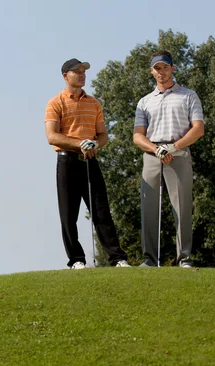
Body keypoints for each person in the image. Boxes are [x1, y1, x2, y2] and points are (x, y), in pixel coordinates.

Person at [45, 58, 130, 269]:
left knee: (102, 212)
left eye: (84, 72)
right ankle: (76, 260)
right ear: (66, 76)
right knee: (68, 214)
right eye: (77, 72)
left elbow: (103, 135)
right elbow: (52, 136)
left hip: (90, 160)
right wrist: (78, 143)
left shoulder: (93, 103)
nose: (82, 75)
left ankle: (117, 258)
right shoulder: (56, 103)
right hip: (67, 161)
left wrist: (94, 144)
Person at [133, 51, 205, 268]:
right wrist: (157, 150)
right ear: (151, 71)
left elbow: (198, 129)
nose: (161, 72)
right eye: (157, 68)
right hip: (152, 154)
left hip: (179, 153)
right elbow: (138, 136)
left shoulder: (189, 95)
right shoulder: (145, 101)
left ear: (173, 68)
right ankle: (149, 259)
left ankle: (184, 259)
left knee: (182, 208)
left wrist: (173, 147)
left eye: (164, 68)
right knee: (149, 208)